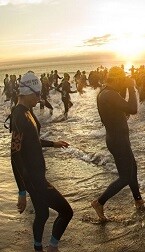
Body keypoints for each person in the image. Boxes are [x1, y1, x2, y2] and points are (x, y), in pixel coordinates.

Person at [9, 71, 72, 252]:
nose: (39, 98)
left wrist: (53, 143)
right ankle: (52, 247)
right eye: (37, 94)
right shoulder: (19, 115)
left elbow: (33, 140)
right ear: (28, 92)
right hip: (34, 179)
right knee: (67, 212)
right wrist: (21, 192)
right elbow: (15, 155)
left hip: (36, 176)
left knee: (43, 214)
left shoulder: (27, 111)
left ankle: (38, 249)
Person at [92, 67, 144, 222]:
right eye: (122, 79)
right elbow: (133, 109)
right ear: (117, 79)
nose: (124, 82)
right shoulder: (109, 94)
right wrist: (131, 87)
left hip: (116, 139)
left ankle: (138, 200)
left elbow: (123, 108)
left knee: (132, 168)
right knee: (125, 177)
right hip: (118, 141)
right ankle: (99, 202)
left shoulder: (105, 93)